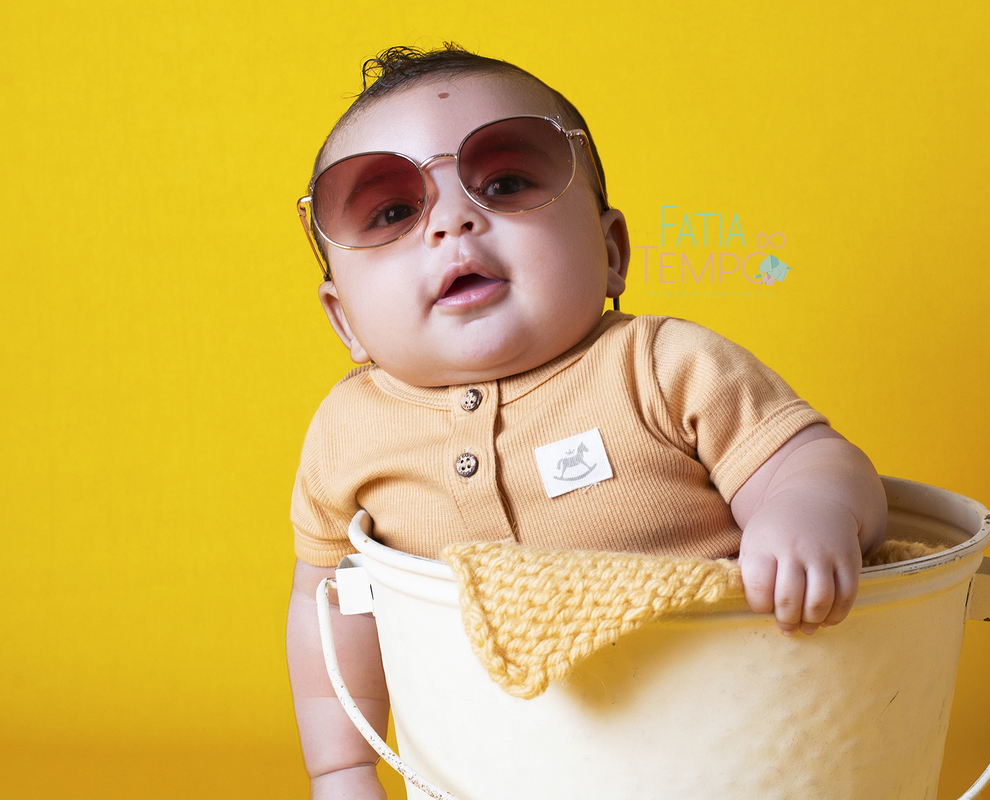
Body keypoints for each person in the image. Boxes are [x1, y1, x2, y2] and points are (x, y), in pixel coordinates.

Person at [286, 44, 888, 799]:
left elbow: (816, 461)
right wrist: (340, 767)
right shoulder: (348, 429)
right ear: (345, 321)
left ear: (610, 253)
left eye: (504, 182)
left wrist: (808, 511)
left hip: (727, 741)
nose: (454, 223)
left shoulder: (662, 365)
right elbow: (329, 602)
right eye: (393, 212)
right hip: (477, 763)